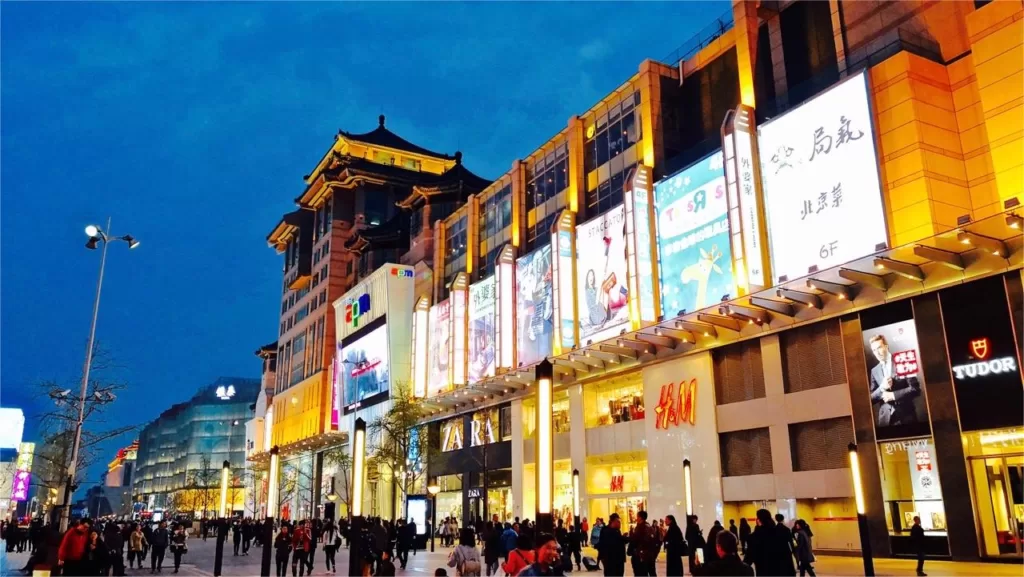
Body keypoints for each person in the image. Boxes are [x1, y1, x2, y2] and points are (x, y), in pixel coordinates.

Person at [868, 333, 922, 426]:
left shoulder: (902, 360)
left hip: (907, 418)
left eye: (879, 348)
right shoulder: (874, 371)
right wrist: (881, 388)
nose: (877, 353)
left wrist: (893, 395)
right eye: (874, 350)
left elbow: (916, 389)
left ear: (886, 346)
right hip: (885, 421)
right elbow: (871, 399)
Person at [744, 509, 793, 577]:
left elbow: (748, 559)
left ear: (758, 520)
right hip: (781, 572)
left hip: (763, 572)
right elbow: (787, 556)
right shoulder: (780, 533)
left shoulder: (754, 537)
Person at [629, 510, 658, 577]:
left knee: (640, 573)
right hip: (650, 555)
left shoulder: (640, 528)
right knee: (651, 572)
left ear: (640, 517)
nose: (636, 518)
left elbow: (635, 540)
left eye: (637, 516)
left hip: (641, 555)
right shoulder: (649, 527)